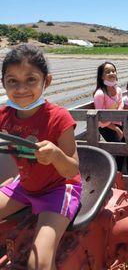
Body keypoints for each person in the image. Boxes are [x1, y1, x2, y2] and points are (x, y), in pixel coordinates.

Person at [0, 44, 81, 270]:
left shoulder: (59, 118)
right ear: (3, 83)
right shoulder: (4, 115)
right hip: (25, 185)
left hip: (59, 188)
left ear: (47, 81)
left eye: (31, 80)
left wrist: (55, 155)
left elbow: (72, 170)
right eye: (12, 81)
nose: (22, 88)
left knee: (39, 263)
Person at [93, 62, 128, 174]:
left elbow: (120, 105)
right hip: (106, 127)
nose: (111, 73)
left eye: (113, 71)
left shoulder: (118, 90)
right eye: (107, 72)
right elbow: (102, 119)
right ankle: (117, 175)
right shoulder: (100, 94)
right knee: (120, 147)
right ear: (101, 76)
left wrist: (118, 121)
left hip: (118, 123)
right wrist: (116, 129)